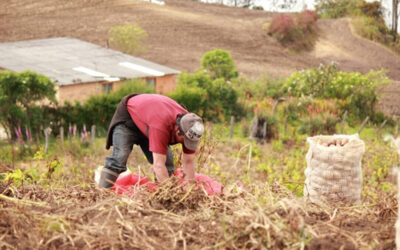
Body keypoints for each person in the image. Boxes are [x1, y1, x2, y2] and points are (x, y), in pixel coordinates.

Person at [98, 93, 204, 188]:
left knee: (168, 162)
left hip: (149, 120)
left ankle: (160, 198)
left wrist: (191, 189)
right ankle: (102, 192)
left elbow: (188, 161)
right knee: (120, 157)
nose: (186, 144)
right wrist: (170, 194)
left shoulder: (191, 125)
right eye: (185, 140)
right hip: (129, 118)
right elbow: (158, 165)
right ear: (178, 130)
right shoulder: (161, 125)